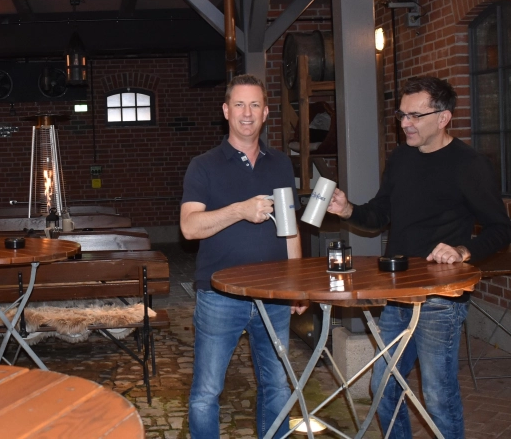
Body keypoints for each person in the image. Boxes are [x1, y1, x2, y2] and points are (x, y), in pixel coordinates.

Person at [326, 75, 511, 438]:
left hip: (440, 299)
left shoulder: (470, 164)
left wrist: (463, 250)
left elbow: (501, 228)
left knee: (439, 396)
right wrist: (348, 210)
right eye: (402, 114)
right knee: (383, 387)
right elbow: (380, 214)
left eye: (415, 115)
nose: (405, 123)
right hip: (397, 293)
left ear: (443, 118)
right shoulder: (401, 158)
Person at [181, 74, 306, 438]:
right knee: (206, 393)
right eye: (239, 104)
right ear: (226, 111)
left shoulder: (281, 164)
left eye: (254, 105)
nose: (247, 113)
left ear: (266, 113)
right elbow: (189, 227)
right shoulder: (203, 165)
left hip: (274, 296)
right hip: (220, 297)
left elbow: (290, 229)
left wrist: (297, 285)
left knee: (277, 387)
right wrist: (239, 210)